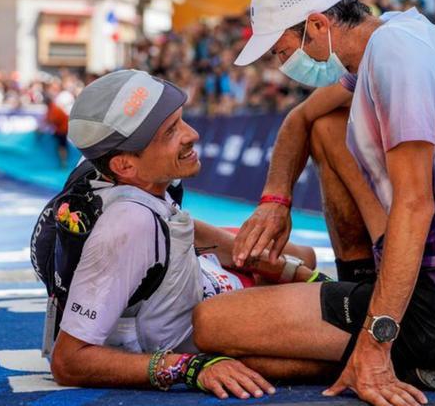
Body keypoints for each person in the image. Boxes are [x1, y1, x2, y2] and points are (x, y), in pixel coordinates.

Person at [191, 0, 435, 406]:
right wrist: (276, 201)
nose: (280, 63)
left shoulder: (396, 59)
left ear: (317, 25)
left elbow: (415, 205)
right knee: (328, 128)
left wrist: (375, 344)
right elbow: (300, 121)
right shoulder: (386, 37)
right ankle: (372, 308)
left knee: (213, 326)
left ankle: (417, 351)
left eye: (282, 50)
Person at [49, 69, 326, 398]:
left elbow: (182, 232)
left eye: (181, 121)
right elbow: (68, 361)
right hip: (215, 323)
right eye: (170, 132)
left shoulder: (129, 180)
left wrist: (291, 269)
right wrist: (188, 368)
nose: (192, 134)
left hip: (210, 287)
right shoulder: (127, 223)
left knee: (301, 255)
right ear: (125, 166)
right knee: (335, 340)